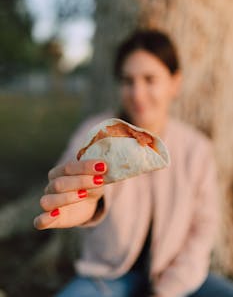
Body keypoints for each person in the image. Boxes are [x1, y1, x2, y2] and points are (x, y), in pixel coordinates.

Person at [34, 29, 233, 297]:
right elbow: (73, 180)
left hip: (178, 277)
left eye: (150, 79)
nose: (137, 93)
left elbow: (203, 228)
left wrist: (167, 292)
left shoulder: (196, 149)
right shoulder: (94, 134)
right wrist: (89, 201)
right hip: (108, 277)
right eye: (128, 81)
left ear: (175, 83)